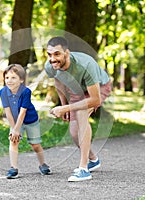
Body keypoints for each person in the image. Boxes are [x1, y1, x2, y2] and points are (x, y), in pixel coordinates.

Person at [44, 36, 111, 182]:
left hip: (99, 87)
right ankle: (93, 160)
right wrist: (64, 105)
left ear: (66, 53)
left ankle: (83, 169)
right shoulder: (50, 66)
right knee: (74, 132)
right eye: (49, 54)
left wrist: (67, 107)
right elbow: (58, 81)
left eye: (57, 54)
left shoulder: (85, 64)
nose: (52, 58)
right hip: (77, 90)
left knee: (81, 114)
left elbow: (95, 99)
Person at [0, 64, 51, 179]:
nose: (9, 81)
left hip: (30, 120)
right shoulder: (3, 92)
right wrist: (14, 129)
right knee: (13, 141)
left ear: (21, 80)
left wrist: (17, 129)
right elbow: (8, 112)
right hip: (15, 121)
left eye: (13, 78)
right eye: (7, 78)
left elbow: (22, 113)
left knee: (35, 144)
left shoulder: (26, 92)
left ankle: (43, 164)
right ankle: (13, 168)